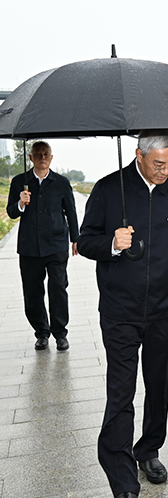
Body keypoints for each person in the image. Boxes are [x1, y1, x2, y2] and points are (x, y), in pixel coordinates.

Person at [77, 131, 168, 498]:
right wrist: (112, 243)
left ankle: (148, 450)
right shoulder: (107, 188)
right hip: (120, 308)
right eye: (158, 164)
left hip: (164, 307)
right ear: (139, 155)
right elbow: (84, 241)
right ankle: (122, 476)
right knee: (121, 390)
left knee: (159, 384)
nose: (166, 171)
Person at [6, 140, 79, 351]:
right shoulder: (20, 181)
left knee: (58, 288)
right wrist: (20, 202)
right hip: (29, 247)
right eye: (37, 154)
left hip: (56, 244)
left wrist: (76, 238)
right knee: (32, 292)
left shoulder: (61, 182)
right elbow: (11, 213)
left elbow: (71, 212)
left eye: (46, 154)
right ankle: (41, 332)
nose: (42, 158)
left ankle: (60, 333)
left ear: (52, 157)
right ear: (30, 158)